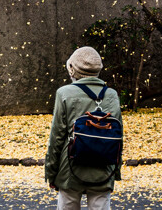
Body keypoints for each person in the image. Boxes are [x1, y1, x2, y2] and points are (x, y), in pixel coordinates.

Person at [45, 46, 123, 210]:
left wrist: (51, 174)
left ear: (73, 69)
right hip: (104, 168)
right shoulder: (111, 95)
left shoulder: (64, 93)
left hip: (70, 168)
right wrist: (115, 171)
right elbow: (118, 136)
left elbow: (56, 138)